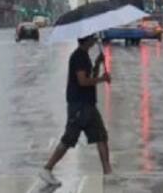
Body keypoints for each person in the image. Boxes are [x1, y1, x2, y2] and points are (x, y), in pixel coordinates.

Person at [39, 34, 112, 186]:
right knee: (69, 139)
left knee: (101, 136)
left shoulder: (84, 55)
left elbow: (88, 77)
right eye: (93, 38)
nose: (95, 40)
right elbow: (83, 81)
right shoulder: (78, 56)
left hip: (88, 105)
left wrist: (98, 64)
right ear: (87, 40)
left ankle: (108, 173)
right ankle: (47, 169)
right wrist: (102, 79)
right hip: (79, 106)